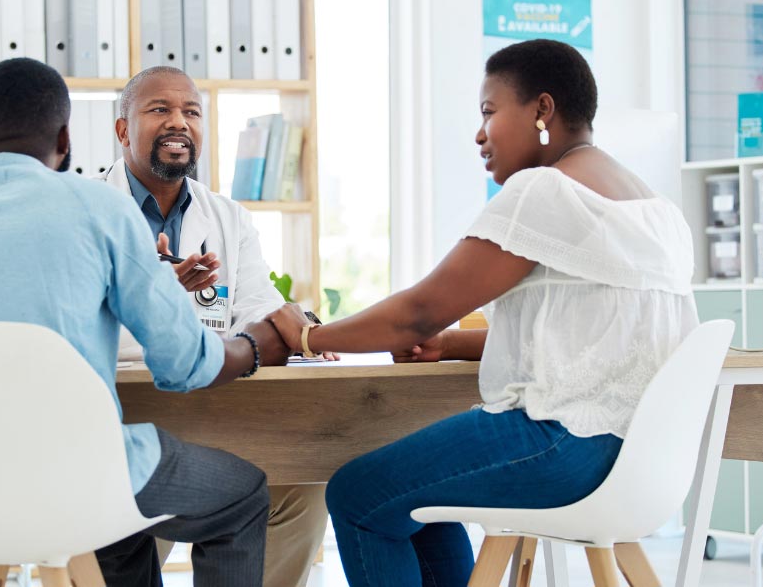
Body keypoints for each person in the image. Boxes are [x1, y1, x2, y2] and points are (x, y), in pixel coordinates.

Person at [0, 57, 290, 587]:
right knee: (239, 494)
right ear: (66, 137)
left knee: (114, 523)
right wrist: (254, 347)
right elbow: (183, 365)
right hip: (76, 480)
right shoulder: (101, 210)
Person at [267, 39, 699, 586]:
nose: (479, 135)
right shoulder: (658, 210)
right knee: (411, 501)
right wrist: (449, 345)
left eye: (489, 113)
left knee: (357, 494)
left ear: (542, 110)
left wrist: (309, 336)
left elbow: (418, 311)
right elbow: (582, 334)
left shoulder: (546, 189)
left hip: (561, 445)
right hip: (633, 462)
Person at [93, 65, 330, 587]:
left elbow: (258, 306)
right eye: (159, 110)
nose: (178, 122)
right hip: (126, 421)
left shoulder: (229, 218)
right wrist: (156, 303)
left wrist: (301, 331)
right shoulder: (89, 213)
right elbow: (82, 331)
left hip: (217, 413)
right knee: (123, 524)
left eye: (192, 112)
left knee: (302, 489)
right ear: (122, 130)